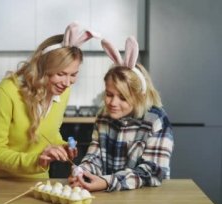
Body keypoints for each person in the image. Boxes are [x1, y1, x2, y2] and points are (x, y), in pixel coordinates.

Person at [0, 23, 101, 178]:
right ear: (43, 68)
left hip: (37, 183)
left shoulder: (63, 92)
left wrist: (61, 146)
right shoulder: (6, 92)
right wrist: (36, 160)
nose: (67, 82)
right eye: (61, 73)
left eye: (73, 74)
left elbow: (48, 133)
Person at [68, 36, 174, 191]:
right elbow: (94, 157)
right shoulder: (104, 117)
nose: (112, 103)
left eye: (123, 97)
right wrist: (83, 172)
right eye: (109, 94)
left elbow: (152, 172)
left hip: (146, 199)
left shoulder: (156, 120)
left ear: (139, 96)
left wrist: (107, 182)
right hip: (110, 196)